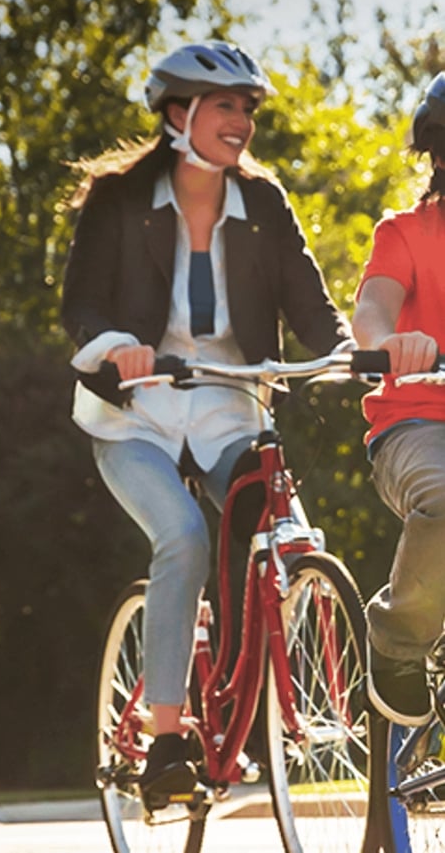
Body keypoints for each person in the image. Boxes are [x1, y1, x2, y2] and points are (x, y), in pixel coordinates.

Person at [61, 41, 352, 804]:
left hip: (229, 406)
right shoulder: (120, 199)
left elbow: (310, 307)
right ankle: (165, 739)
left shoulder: (264, 204)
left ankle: (256, 700)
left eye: (248, 109)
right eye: (227, 106)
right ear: (178, 113)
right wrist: (116, 345)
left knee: (285, 540)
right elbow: (80, 304)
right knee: (183, 534)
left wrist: (350, 352)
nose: (242, 122)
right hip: (138, 414)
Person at [351, 71, 445, 727]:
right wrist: (391, 342)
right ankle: (398, 641)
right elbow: (372, 309)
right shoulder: (407, 232)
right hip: (415, 421)